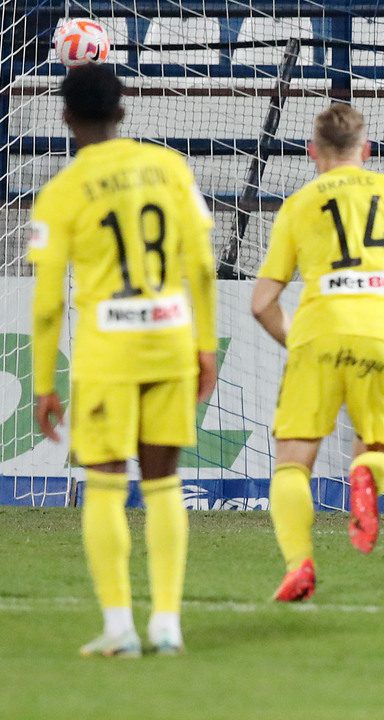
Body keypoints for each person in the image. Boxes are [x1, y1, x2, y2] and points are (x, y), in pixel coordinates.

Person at [30, 64, 218, 656]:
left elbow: (46, 304)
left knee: (106, 486)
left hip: (107, 354)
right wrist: (206, 345)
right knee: (163, 485)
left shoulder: (61, 193)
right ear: (122, 110)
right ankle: (166, 624)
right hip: (169, 339)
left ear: (65, 117)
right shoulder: (170, 168)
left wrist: (43, 383)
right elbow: (202, 265)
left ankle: (119, 628)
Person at [252, 102, 384, 602]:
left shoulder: (299, 204)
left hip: (319, 334)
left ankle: (299, 564)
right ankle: (365, 476)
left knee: (291, 464)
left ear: (313, 152)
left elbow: (261, 303)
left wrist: (300, 344)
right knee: (378, 450)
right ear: (364, 151)